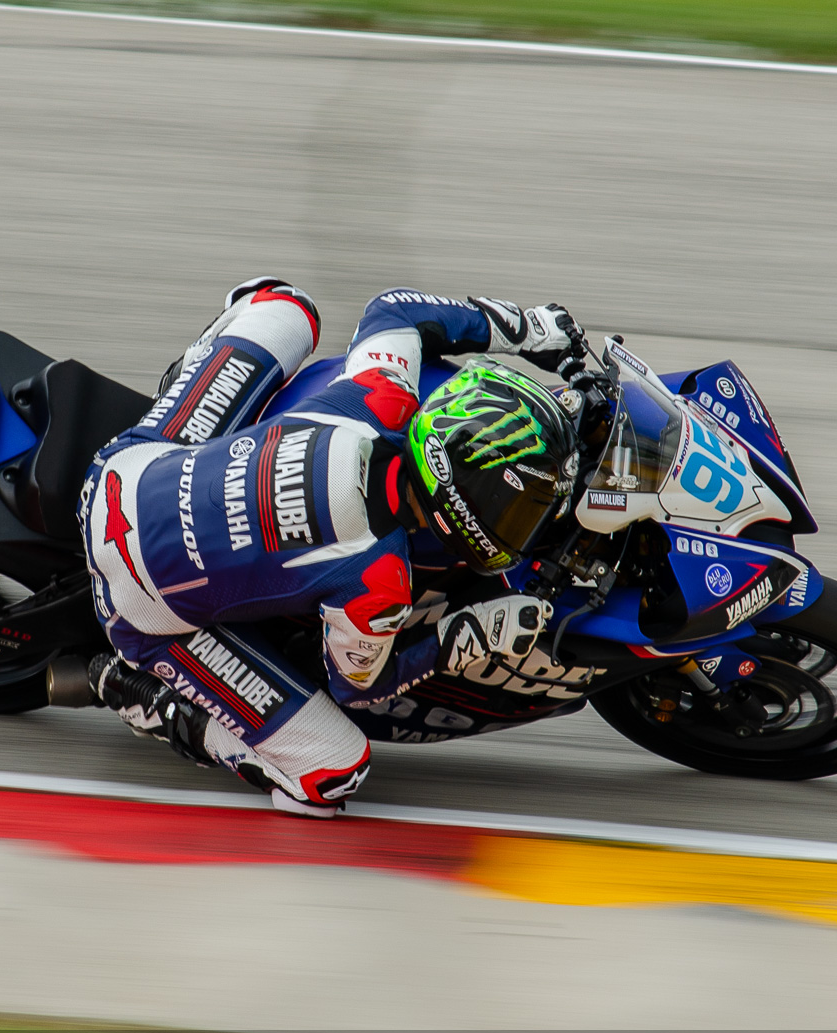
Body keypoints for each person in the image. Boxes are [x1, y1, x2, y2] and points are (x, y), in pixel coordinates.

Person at [79, 278, 586, 816]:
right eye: (517, 509)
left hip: (123, 470)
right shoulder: (377, 578)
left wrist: (525, 329)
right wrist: (465, 636)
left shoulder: (376, 397)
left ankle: (194, 369)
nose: (528, 521)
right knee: (332, 776)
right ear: (465, 506)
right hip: (140, 612)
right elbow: (360, 689)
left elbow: (393, 309)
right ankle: (154, 704)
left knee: (286, 304)